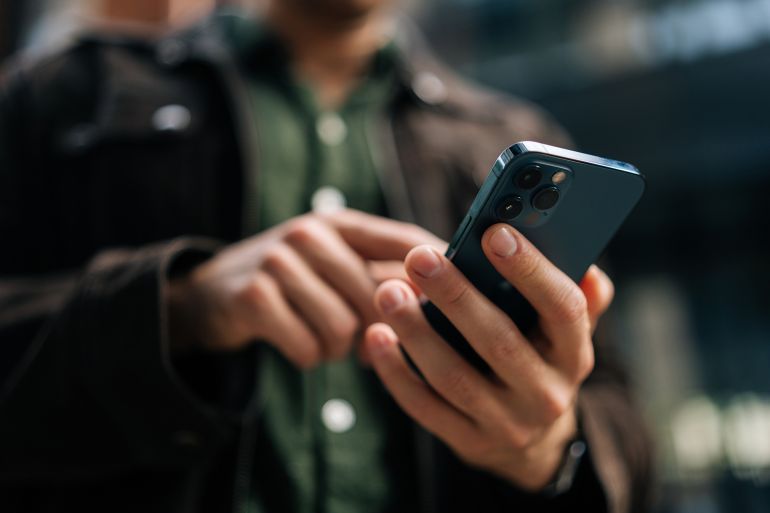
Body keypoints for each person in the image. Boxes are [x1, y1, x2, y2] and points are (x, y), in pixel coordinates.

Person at [0, 0, 652, 511]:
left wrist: (549, 449)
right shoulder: (60, 97)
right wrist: (185, 305)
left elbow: (628, 435)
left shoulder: (507, 138)